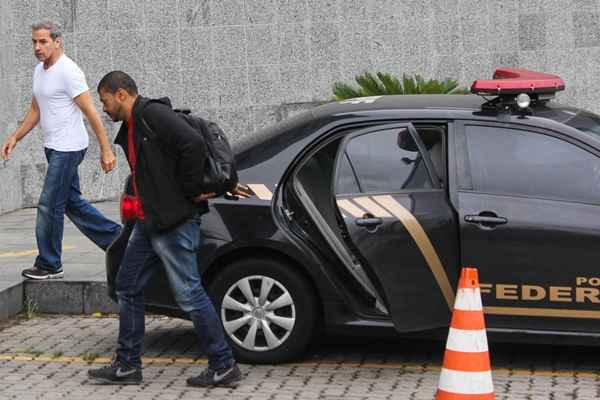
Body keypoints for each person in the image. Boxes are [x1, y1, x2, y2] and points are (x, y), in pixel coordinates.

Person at [88, 71, 250, 387]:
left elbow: (191, 143)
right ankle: (127, 365)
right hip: (150, 223)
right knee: (128, 285)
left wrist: (189, 190)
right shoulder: (134, 126)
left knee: (189, 293)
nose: (104, 109)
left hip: (173, 222)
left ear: (121, 94)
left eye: (104, 101)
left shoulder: (153, 114)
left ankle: (223, 364)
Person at [0, 22, 121, 280]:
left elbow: (91, 113)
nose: (37, 47)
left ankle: (49, 264)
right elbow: (35, 110)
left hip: (69, 148)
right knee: (72, 203)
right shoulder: (39, 71)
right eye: (34, 42)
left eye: (43, 42)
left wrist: (106, 149)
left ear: (58, 41)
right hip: (53, 147)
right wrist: (15, 137)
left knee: (48, 205)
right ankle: (122, 242)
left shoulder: (69, 72)